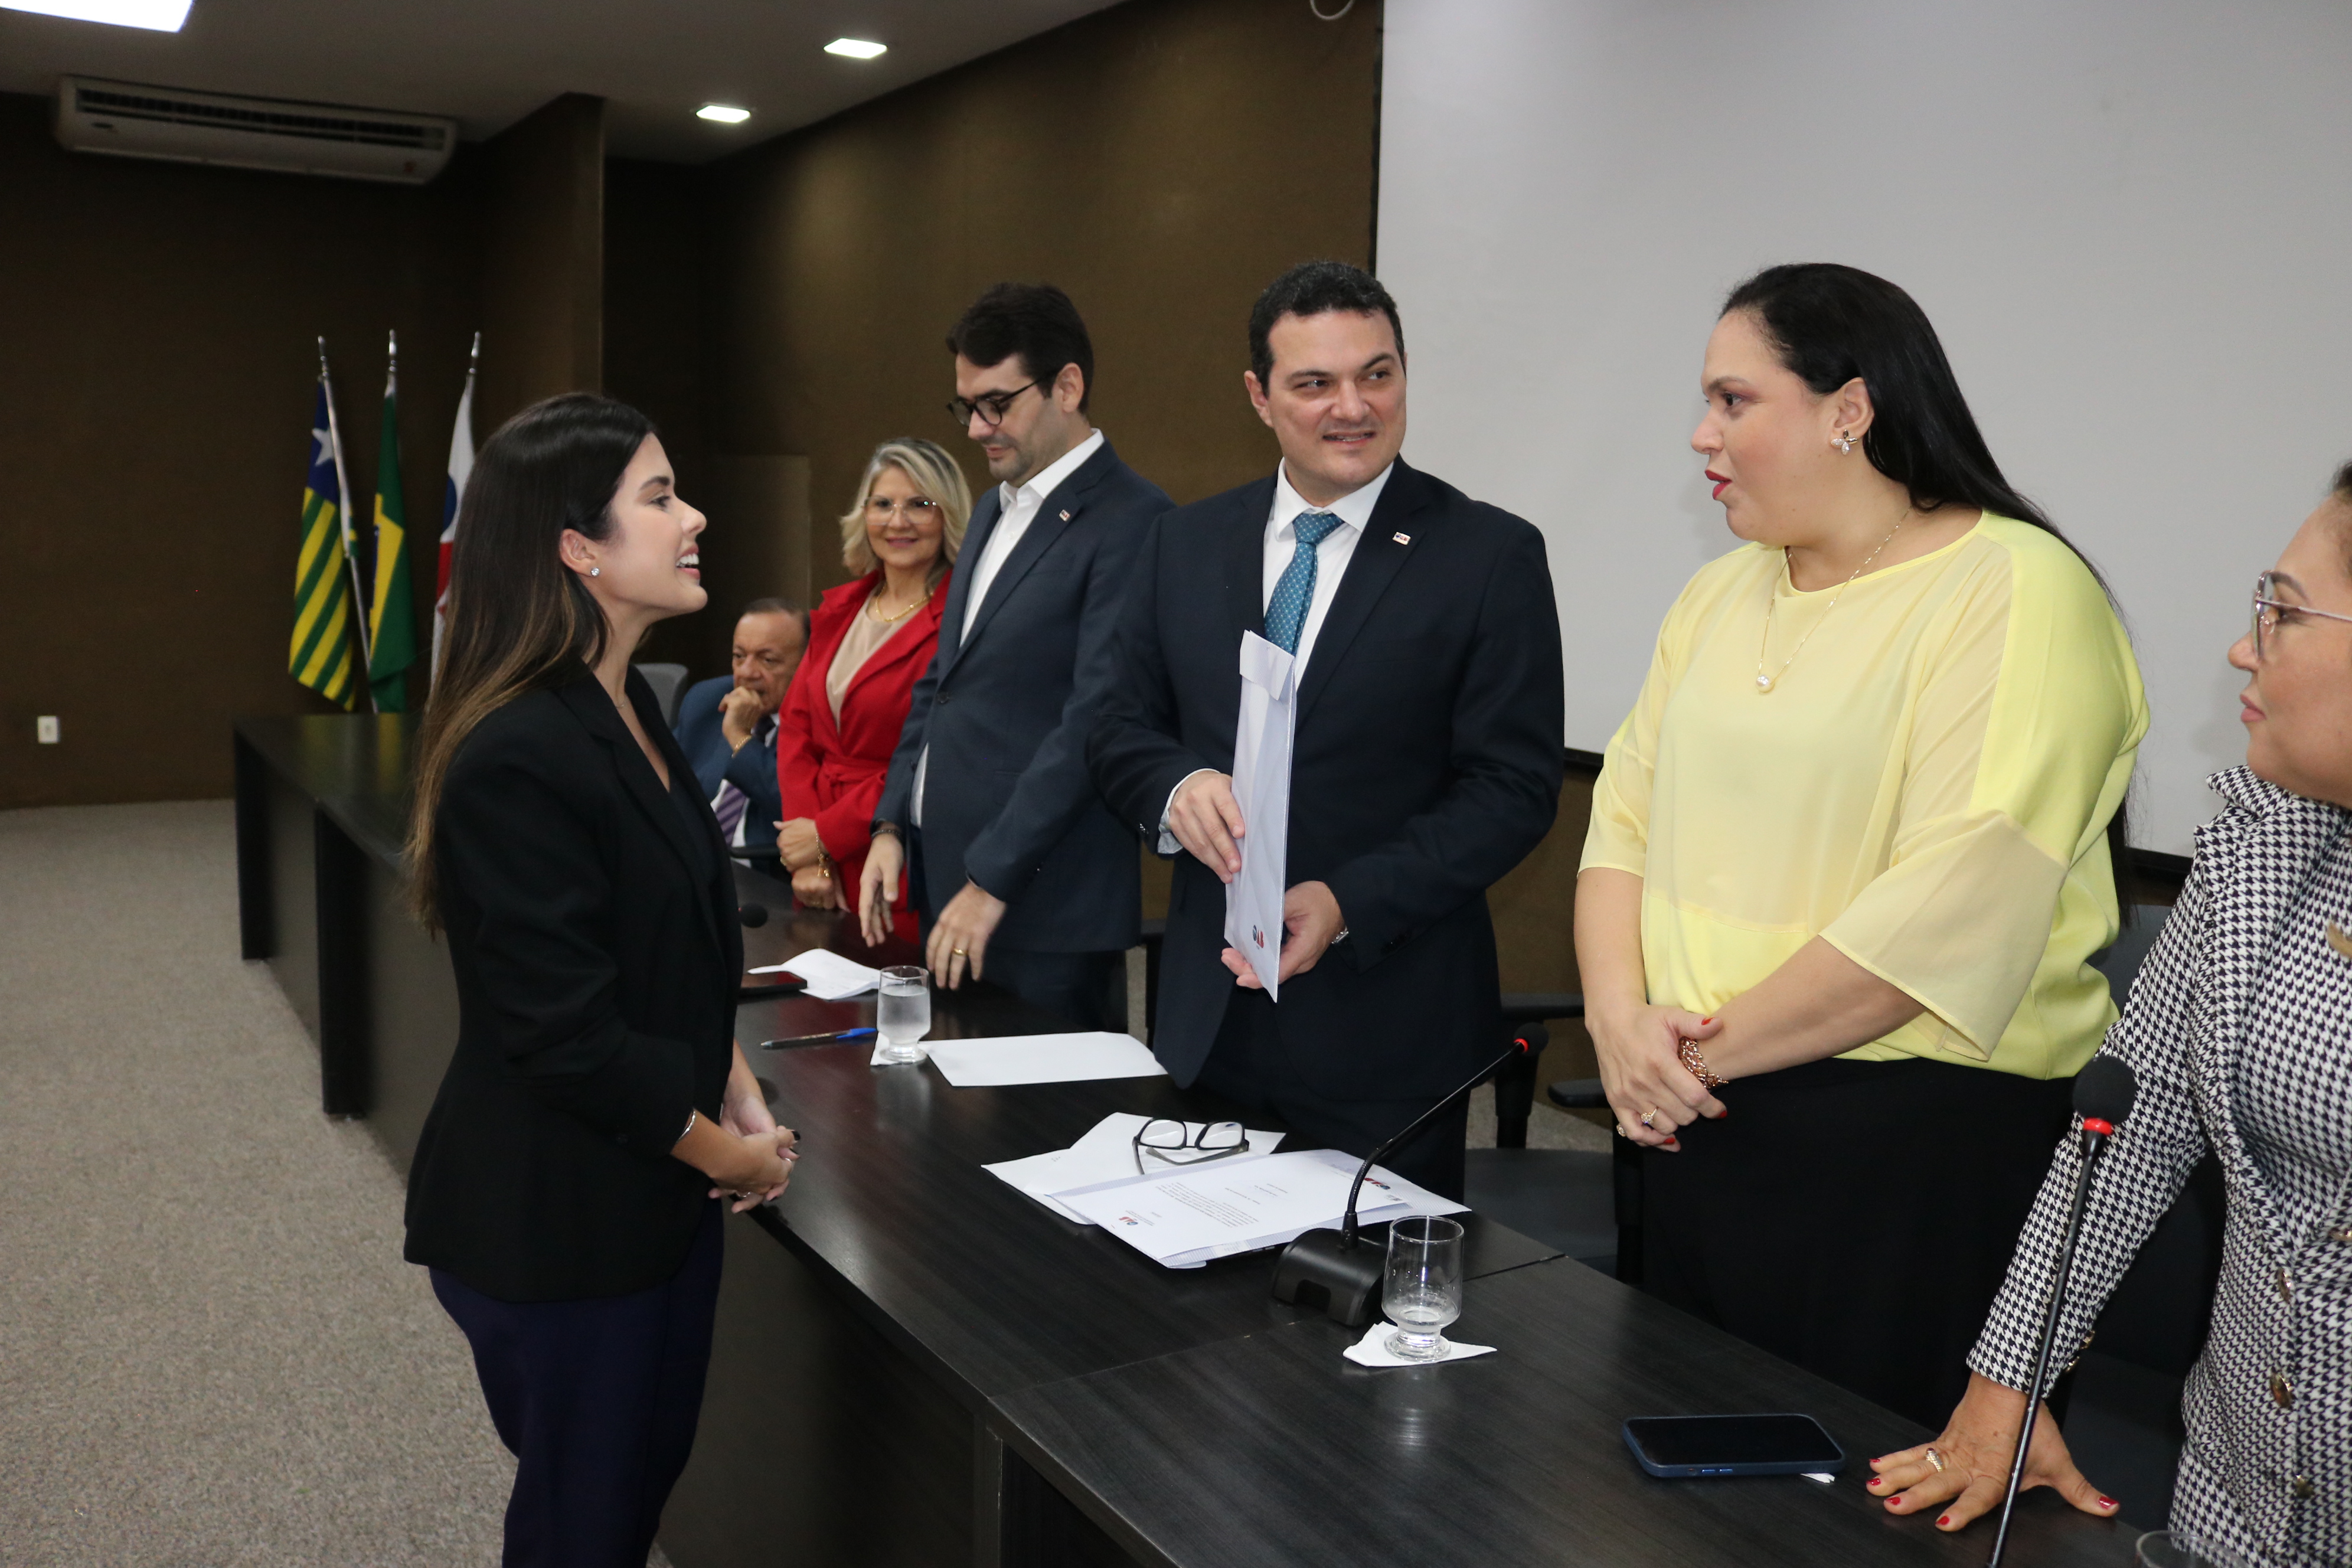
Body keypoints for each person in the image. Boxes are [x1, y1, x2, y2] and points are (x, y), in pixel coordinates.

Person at [1574, 262, 2148, 1427]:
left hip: (1906, 1141)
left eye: (1734, 400)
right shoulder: (1717, 595)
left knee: (1856, 1486)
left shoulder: (2017, 589)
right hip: (1691, 1114)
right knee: (1685, 1467)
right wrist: (1618, 1023)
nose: (1700, 433)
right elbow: (1620, 819)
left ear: (1848, 409)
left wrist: (1683, 1063)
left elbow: (1946, 910)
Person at [1872, 462, 2352, 1564]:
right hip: (2235, 1502)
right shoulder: (2267, 842)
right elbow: (2128, 1131)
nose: (2242, 648)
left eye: (2281, 613)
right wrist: (2009, 1381)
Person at [400, 394, 798, 1567]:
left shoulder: (627, 706)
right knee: (583, 1525)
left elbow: (673, 941)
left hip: (643, 1195)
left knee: (624, 1499)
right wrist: (729, 1157)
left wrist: (733, 1082)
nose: (695, 516)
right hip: (558, 1222)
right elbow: (564, 1035)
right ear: (578, 547)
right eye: (660, 496)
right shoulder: (518, 750)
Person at [1088, 260, 1563, 1200]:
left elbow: (1511, 789)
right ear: (1259, 397)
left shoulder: (1488, 555)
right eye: (1315, 384)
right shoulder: (1183, 543)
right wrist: (1177, 788)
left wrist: (1348, 900)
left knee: (1362, 1284)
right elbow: (1116, 723)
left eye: (1376, 375)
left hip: (1385, 1030)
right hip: (1207, 1019)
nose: (1354, 407)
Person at [860, 283, 1171, 1030]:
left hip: (1042, 905)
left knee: (1044, 1104)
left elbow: (1094, 720)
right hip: (951, 883)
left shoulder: (1136, 519)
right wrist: (891, 823)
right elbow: (943, 682)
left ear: (1068, 387)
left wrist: (991, 878)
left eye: (997, 404)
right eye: (967, 406)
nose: (977, 428)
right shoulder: (994, 507)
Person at [775, 439, 969, 939]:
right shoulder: (842, 609)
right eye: (883, 504)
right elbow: (797, 732)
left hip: (899, 855)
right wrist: (809, 854)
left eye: (920, 504)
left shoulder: (963, 624)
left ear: (948, 515)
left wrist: (828, 835)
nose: (898, 521)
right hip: (816, 865)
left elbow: (935, 757)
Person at [673, 597, 809, 852]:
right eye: (739, 657)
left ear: (807, 664)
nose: (746, 672)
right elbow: (663, 780)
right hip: (693, 857)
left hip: (764, 867)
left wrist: (739, 737)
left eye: (767, 660)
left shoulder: (821, 721)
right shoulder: (708, 700)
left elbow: (792, 804)